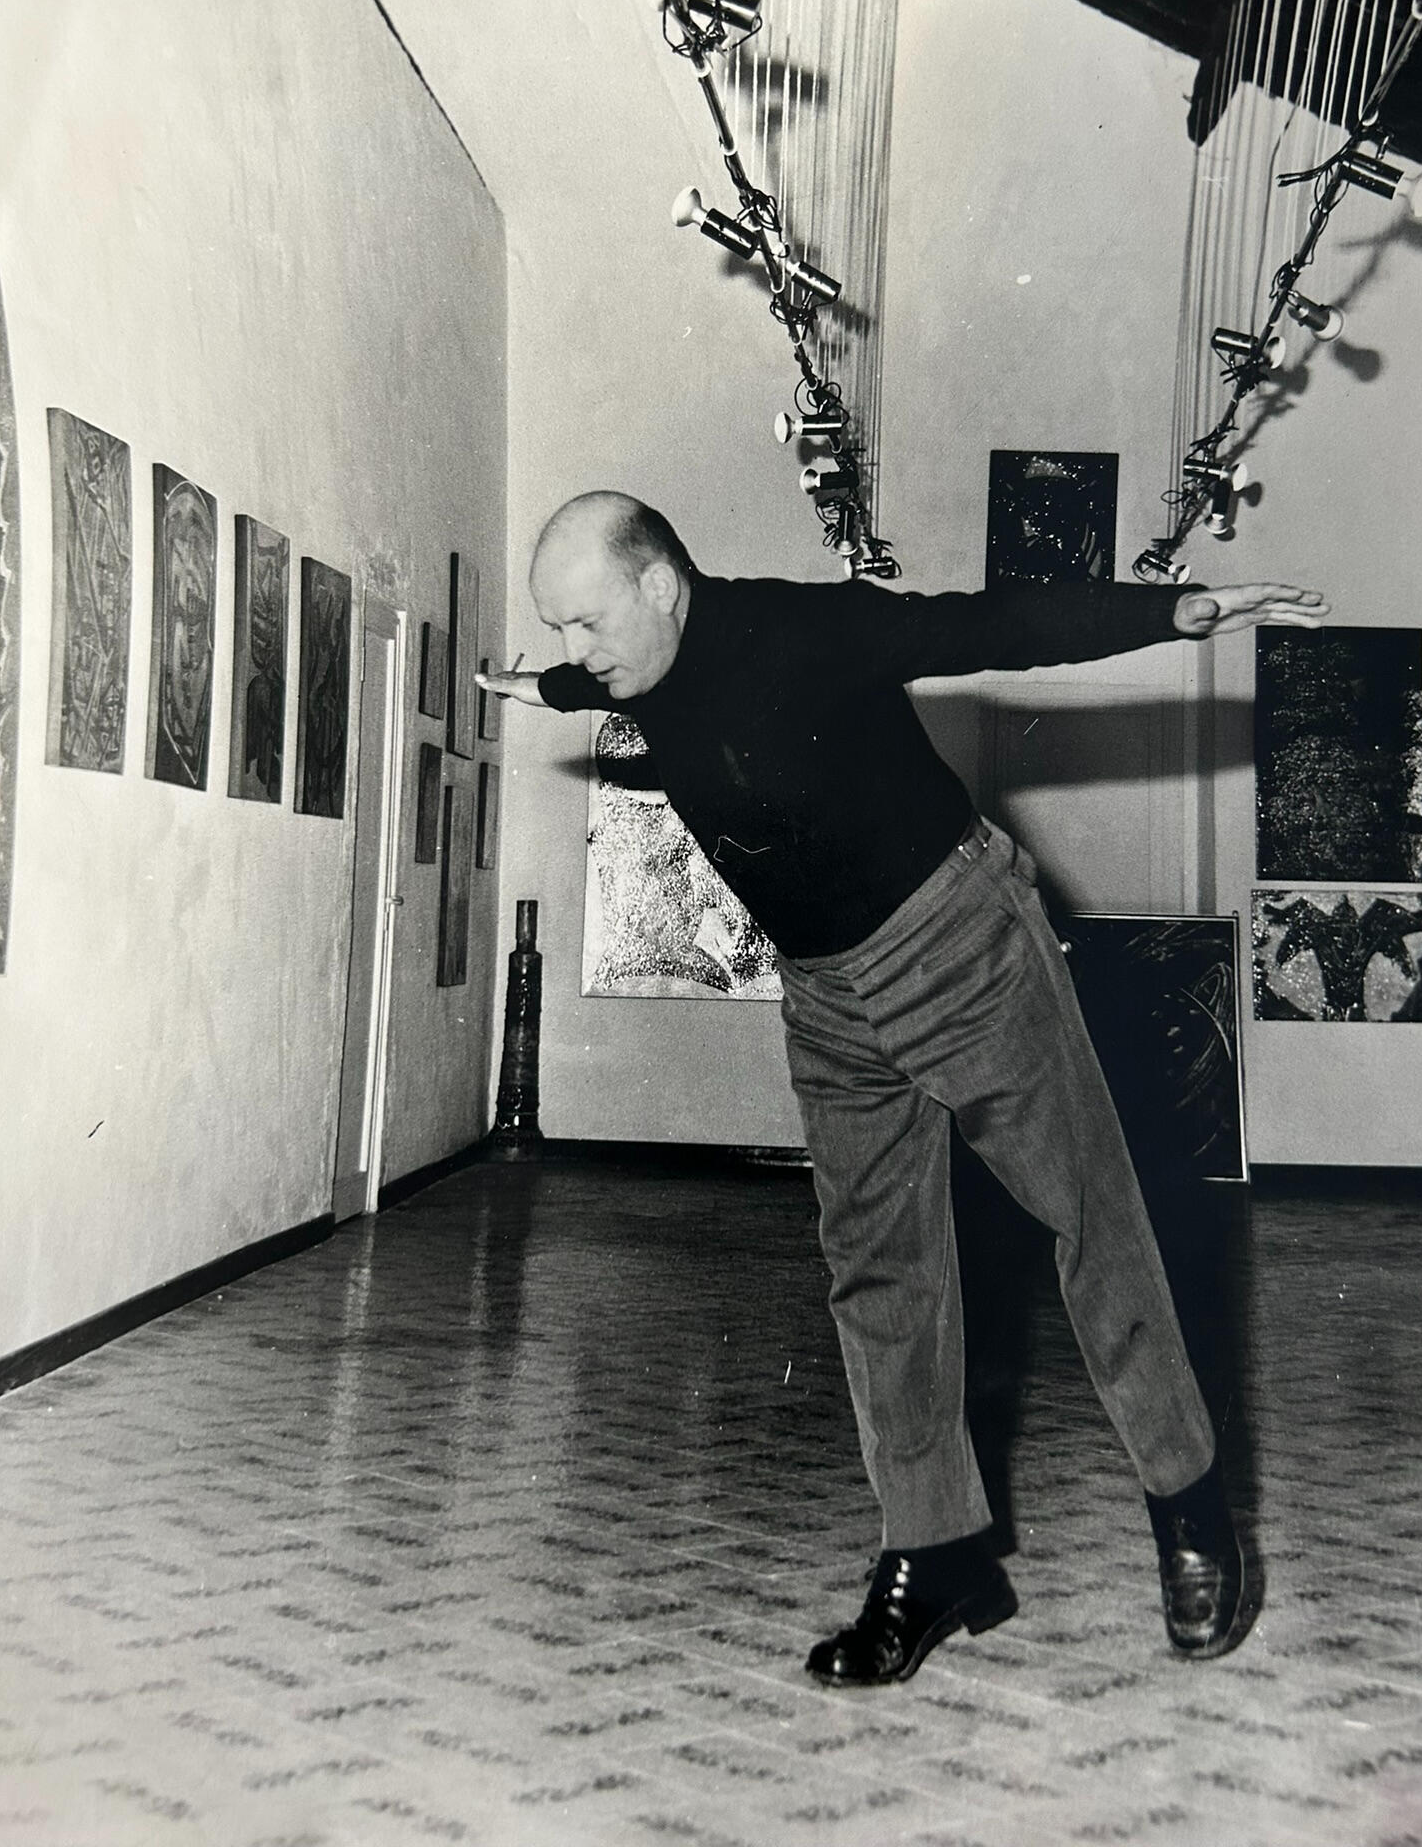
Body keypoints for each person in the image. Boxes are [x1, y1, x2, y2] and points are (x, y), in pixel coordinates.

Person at [479, 490, 1328, 1687]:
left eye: (585, 622)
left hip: (958, 938)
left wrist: (1173, 610)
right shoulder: (635, 663)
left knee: (1089, 1213)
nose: (578, 651)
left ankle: (1190, 1504)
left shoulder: (804, 631)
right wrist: (538, 685)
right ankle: (935, 1552)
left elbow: (987, 624)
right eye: (559, 631)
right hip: (827, 989)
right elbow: (587, 682)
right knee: (877, 1263)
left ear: (661, 584)